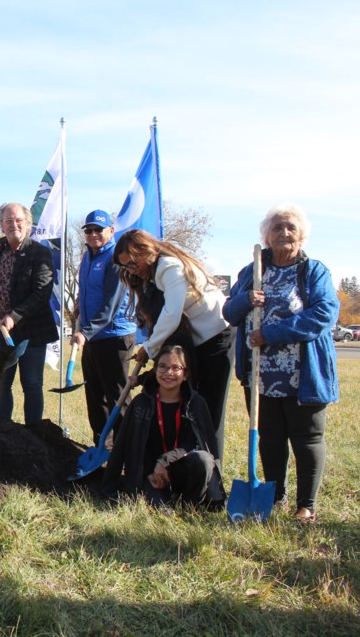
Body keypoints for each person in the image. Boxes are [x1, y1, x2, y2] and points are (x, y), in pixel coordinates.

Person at [222, 203, 338, 522]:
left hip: (303, 375)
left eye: (290, 228)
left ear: (301, 235)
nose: (284, 233)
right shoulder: (253, 271)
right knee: (270, 439)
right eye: (277, 228)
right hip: (261, 376)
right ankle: (275, 497)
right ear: (267, 237)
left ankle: (306, 505)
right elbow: (229, 313)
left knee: (307, 438)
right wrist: (246, 300)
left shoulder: (313, 271)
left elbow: (324, 315)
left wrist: (269, 333)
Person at [113, 229, 234, 462]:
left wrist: (148, 348)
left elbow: (172, 314)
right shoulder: (151, 277)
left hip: (218, 337)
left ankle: (211, 472)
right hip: (196, 341)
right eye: (125, 266)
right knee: (189, 402)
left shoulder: (169, 267)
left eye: (132, 262)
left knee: (209, 409)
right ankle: (185, 464)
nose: (131, 269)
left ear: (145, 251)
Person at [101, 345, 225, 508]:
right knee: (161, 510)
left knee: (203, 460)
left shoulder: (196, 404)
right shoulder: (140, 403)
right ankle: (165, 501)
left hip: (183, 472)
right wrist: (108, 487)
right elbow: (121, 445)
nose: (168, 373)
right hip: (152, 477)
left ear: (185, 374)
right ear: (155, 370)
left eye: (176, 368)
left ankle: (190, 505)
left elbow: (201, 444)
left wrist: (166, 461)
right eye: (163, 367)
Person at [0, 202, 58, 424]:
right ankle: (3, 430)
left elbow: (42, 294)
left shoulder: (39, 252)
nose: (14, 224)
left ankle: (33, 433)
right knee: (1, 381)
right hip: (1, 330)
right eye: (8, 220)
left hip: (32, 331)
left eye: (19, 220)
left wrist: (14, 317)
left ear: (28, 224)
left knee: (31, 383)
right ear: (1, 225)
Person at [72, 210, 136, 444]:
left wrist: (84, 333)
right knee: (95, 396)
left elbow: (111, 305)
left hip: (114, 337)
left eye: (98, 229)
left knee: (117, 398)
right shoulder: (88, 256)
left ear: (111, 231)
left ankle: (126, 453)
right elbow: (89, 290)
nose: (93, 234)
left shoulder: (115, 259)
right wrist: (79, 303)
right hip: (92, 336)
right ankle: (102, 450)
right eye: (88, 230)